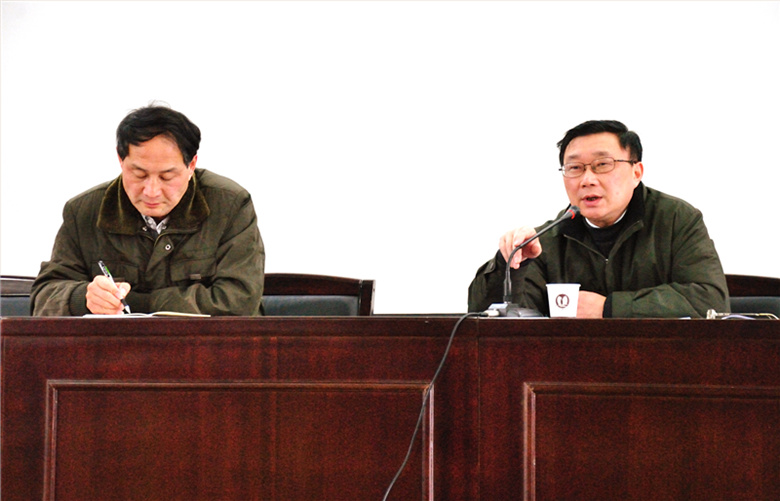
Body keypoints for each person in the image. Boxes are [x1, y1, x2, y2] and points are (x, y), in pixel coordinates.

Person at [468, 120, 728, 318]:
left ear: (636, 172)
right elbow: (489, 317)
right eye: (575, 168)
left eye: (602, 165)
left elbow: (710, 301)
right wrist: (510, 263)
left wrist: (609, 307)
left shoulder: (676, 220)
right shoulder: (547, 240)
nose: (587, 179)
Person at [31, 104, 265, 316]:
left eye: (167, 177)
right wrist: (83, 298)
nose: (152, 191)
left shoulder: (230, 205)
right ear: (120, 160)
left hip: (208, 346)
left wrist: (139, 303)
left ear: (191, 165)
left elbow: (239, 299)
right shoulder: (84, 211)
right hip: (117, 347)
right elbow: (43, 298)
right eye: (139, 174)